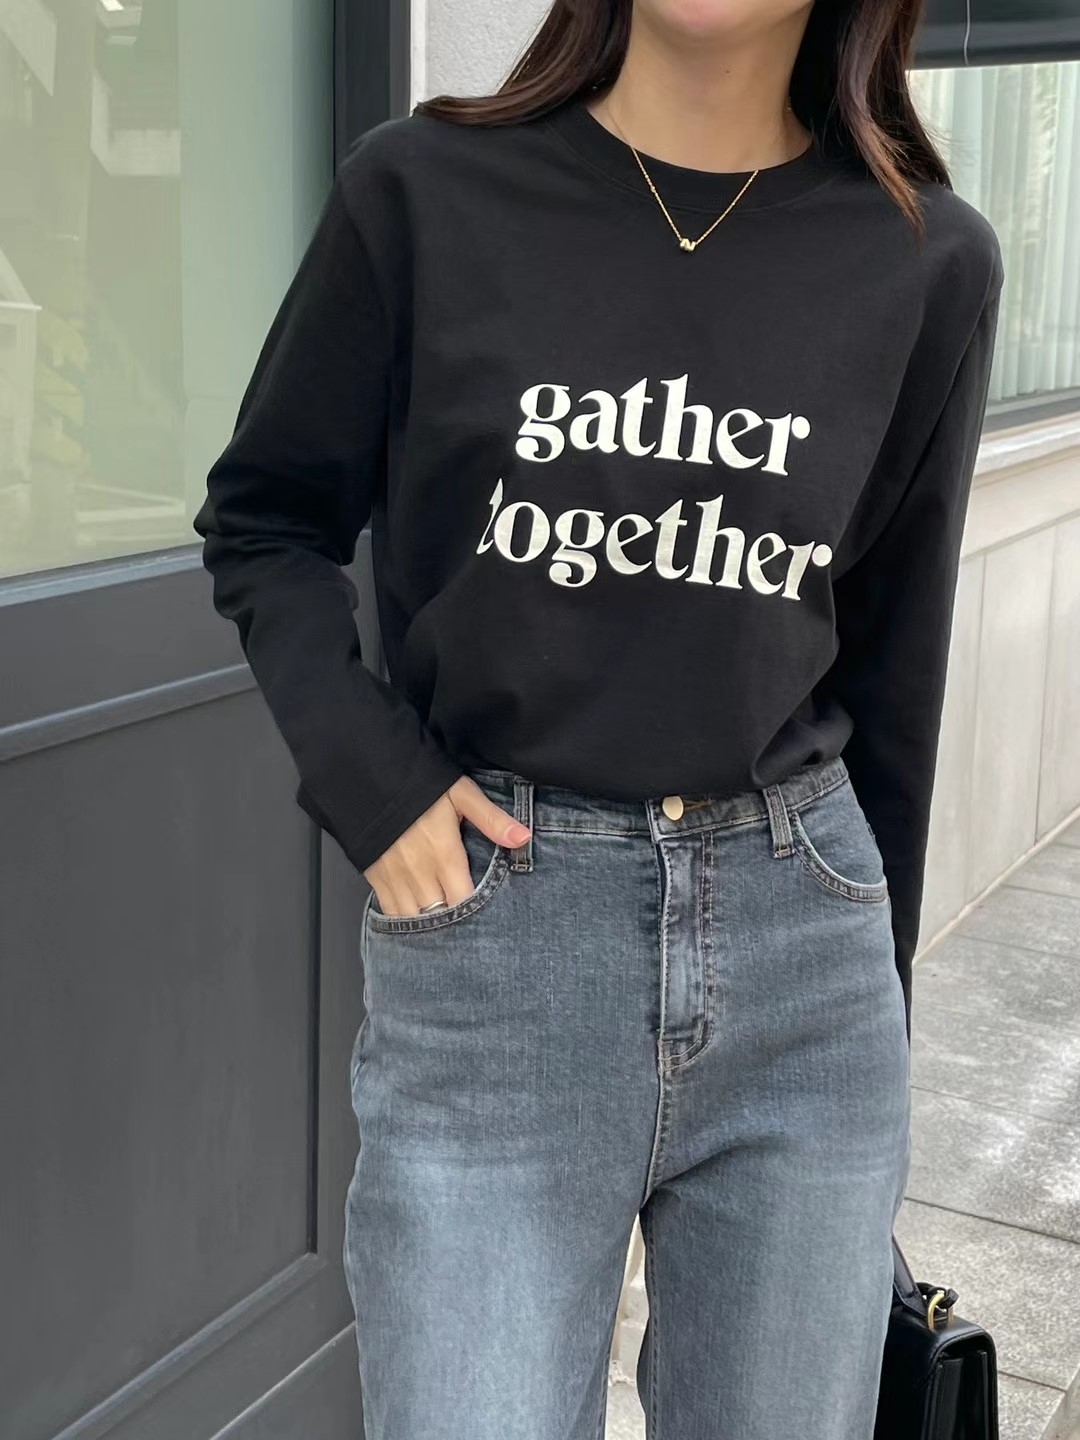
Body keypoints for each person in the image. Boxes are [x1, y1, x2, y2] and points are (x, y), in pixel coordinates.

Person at [191, 0, 1004, 1435]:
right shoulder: (423, 194)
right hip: (501, 945)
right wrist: (375, 784)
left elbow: (894, 675)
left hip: (801, 958)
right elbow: (266, 521)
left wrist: (879, 1000)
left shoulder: (926, 259)